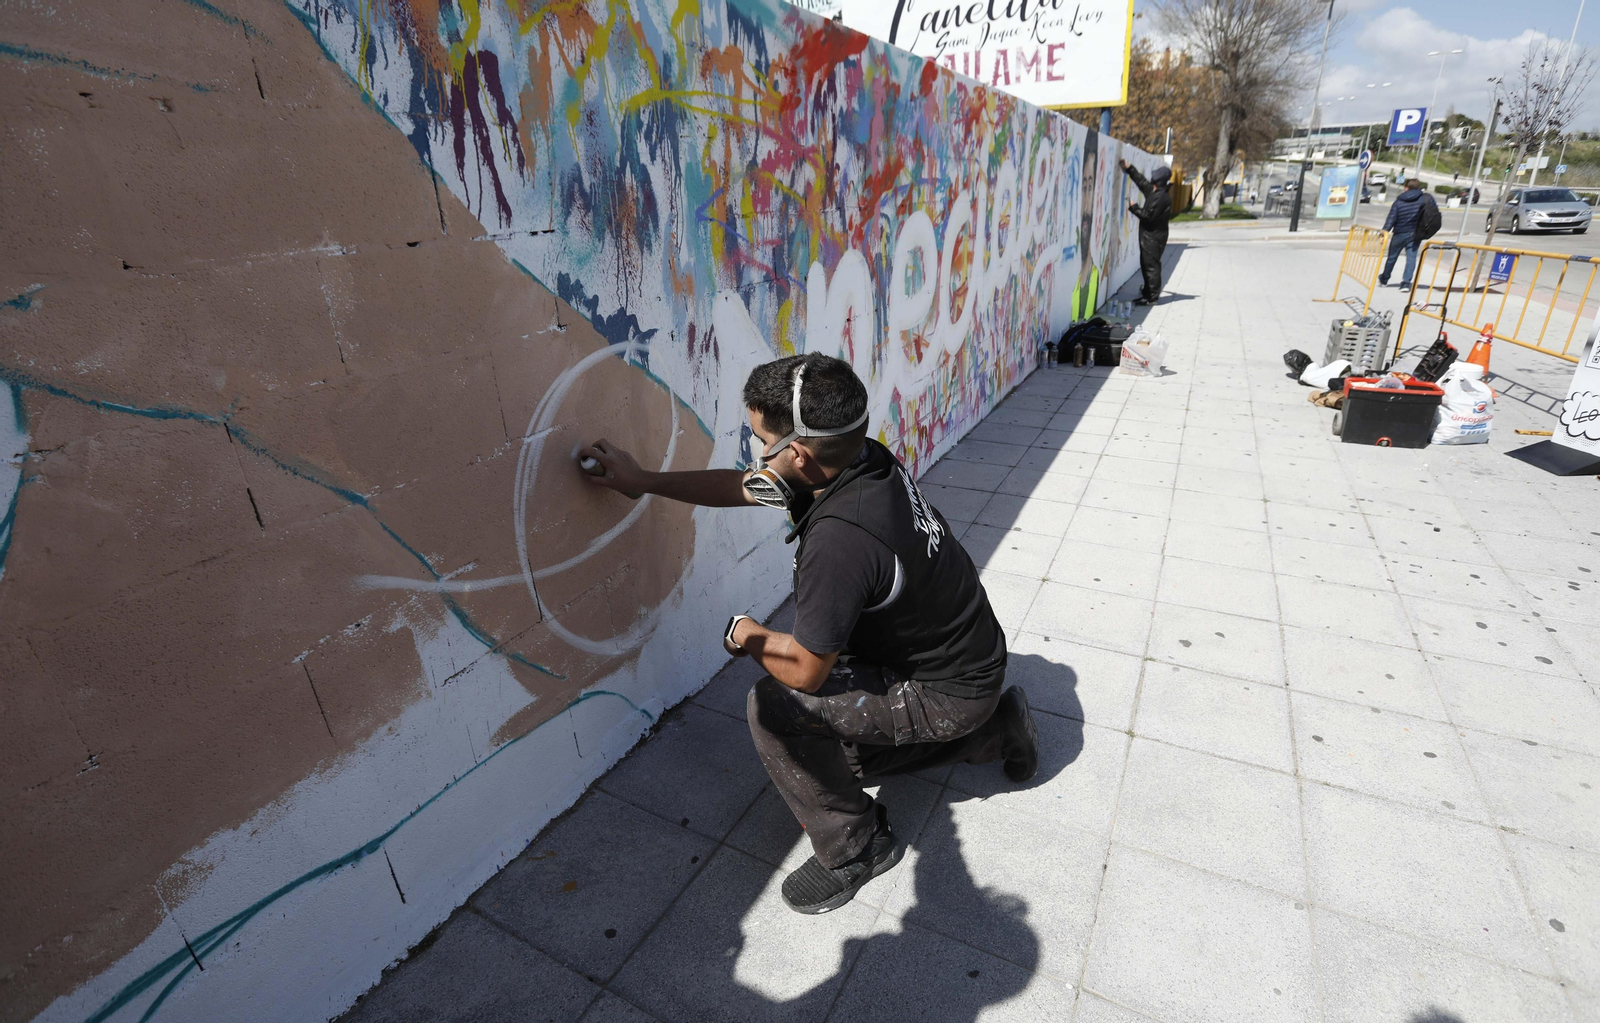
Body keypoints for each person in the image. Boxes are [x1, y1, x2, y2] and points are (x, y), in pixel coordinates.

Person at [581, 353, 1038, 915]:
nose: (756, 454)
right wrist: (643, 482)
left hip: (948, 691)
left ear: (796, 453)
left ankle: (856, 846)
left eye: (759, 440)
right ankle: (994, 730)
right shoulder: (859, 460)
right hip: (970, 659)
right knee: (830, 750)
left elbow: (805, 669)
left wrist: (745, 634)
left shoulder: (841, 540)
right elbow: (748, 487)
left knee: (777, 709)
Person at [1119, 158, 1173, 305]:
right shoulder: (1156, 191)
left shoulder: (1161, 197)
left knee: (1151, 267)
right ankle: (1147, 294)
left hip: (1154, 238)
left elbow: (1148, 216)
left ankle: (1152, 298)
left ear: (1159, 181)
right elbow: (1141, 182)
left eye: (1154, 178)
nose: (1151, 180)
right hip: (1149, 236)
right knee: (1146, 265)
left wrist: (1134, 207)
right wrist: (1130, 168)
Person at [1379, 178, 1440, 288]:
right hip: (1415, 233)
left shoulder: (1398, 201)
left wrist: (1384, 232)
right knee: (1411, 258)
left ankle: (1384, 279)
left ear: (1406, 188)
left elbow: (1391, 218)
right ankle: (1406, 284)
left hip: (1399, 233)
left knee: (1392, 257)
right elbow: (1433, 212)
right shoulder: (1425, 198)